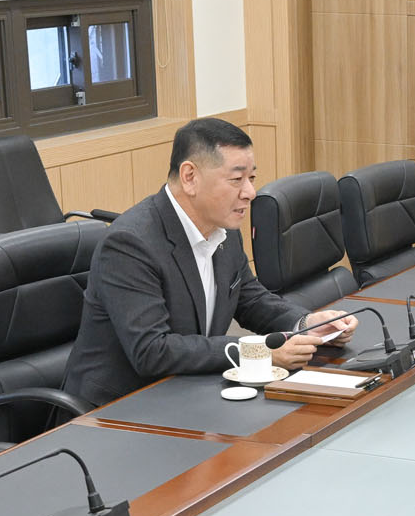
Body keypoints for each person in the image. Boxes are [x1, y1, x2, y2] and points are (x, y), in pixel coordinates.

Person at [61, 117, 355, 406]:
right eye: (236, 180)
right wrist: (260, 352)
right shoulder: (130, 244)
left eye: (251, 178)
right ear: (190, 177)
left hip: (189, 391)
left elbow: (251, 299)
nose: (250, 193)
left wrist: (306, 323)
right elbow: (152, 350)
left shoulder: (223, 229)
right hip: (117, 410)